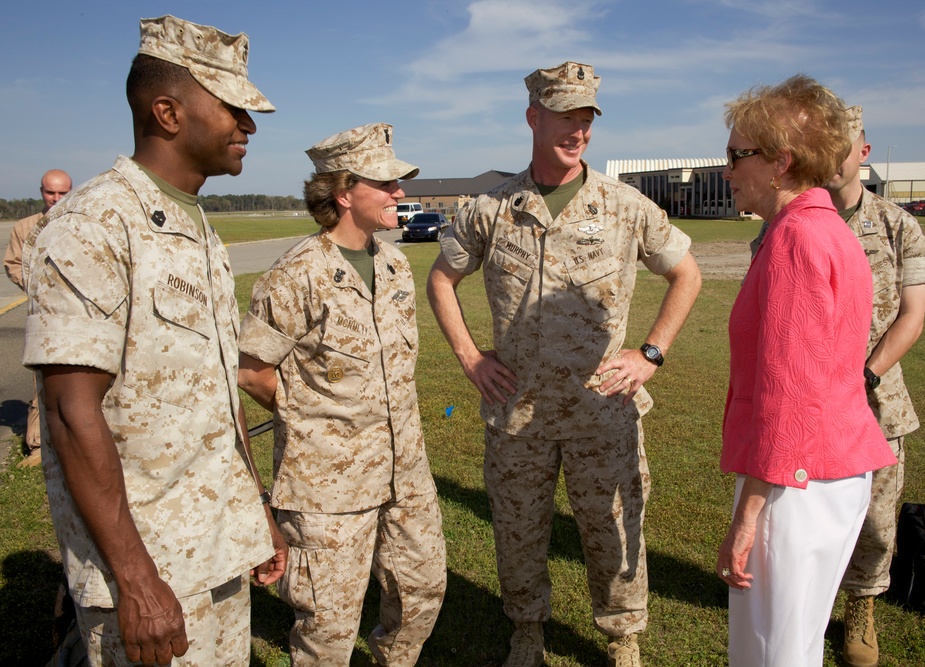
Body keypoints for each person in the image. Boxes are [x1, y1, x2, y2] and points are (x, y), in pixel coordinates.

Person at [21, 15, 286, 667]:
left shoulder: (197, 230)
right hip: (146, 565)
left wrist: (255, 514)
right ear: (168, 112)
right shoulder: (94, 226)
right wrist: (137, 580)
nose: (248, 126)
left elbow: (220, 398)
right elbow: (68, 410)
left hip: (217, 543)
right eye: (232, 109)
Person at [427, 61, 702, 667]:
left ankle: (623, 634)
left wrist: (650, 353)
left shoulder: (624, 205)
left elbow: (685, 272)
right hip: (517, 413)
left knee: (613, 530)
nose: (578, 130)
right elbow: (442, 280)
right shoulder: (490, 209)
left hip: (602, 410)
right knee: (518, 534)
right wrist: (471, 358)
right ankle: (527, 627)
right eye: (565, 116)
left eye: (586, 119)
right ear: (533, 116)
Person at [238, 123, 447, 666]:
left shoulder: (395, 265)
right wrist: (314, 420)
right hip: (327, 484)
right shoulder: (295, 276)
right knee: (328, 624)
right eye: (386, 183)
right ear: (344, 192)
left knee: (421, 593)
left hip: (406, 471)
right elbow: (253, 371)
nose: (399, 193)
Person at [716, 75, 897, 666]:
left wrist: (748, 519)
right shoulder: (825, 230)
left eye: (736, 154)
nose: (727, 169)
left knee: (773, 654)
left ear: (780, 162)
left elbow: (790, 391)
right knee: (792, 647)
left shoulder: (796, 239)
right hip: (824, 471)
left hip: (795, 483)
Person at [827, 107, 925, 667]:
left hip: (876, 401)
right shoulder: (789, 224)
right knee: (807, 506)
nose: (832, 154)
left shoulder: (898, 224)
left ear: (863, 153)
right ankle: (811, 597)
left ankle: (861, 608)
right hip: (811, 401)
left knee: (875, 516)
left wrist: (862, 375)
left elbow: (911, 317)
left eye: (841, 144)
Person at [4, 169, 72, 467]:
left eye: (62, 193)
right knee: (43, 374)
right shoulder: (25, 227)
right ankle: (37, 444)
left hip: (79, 312)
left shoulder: (82, 223)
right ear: (41, 191)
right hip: (42, 313)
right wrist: (38, 287)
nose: (55, 199)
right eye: (50, 192)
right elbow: (13, 264)